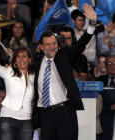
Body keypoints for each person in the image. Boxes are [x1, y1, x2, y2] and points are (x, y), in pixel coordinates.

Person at [32, 3, 97, 140]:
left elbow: (80, 45)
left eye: (54, 43)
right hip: (45, 114)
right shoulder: (36, 62)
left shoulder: (64, 56)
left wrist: (92, 24)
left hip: (65, 112)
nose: (52, 47)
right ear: (42, 47)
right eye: (48, 44)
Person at [0, 40, 35, 140]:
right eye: (18, 56)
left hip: (27, 120)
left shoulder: (34, 76)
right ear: (15, 60)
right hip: (7, 119)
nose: (21, 59)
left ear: (30, 59)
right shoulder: (9, 72)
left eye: (24, 56)